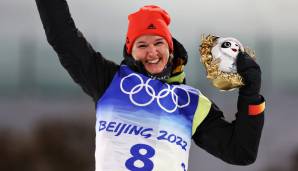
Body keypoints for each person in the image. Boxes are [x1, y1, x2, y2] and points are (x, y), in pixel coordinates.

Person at [35, 0, 265, 171]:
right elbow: (62, 36)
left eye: (158, 43)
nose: (152, 52)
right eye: (142, 44)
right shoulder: (109, 79)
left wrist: (250, 94)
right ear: (130, 51)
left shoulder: (191, 102)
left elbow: (241, 152)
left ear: (170, 49)